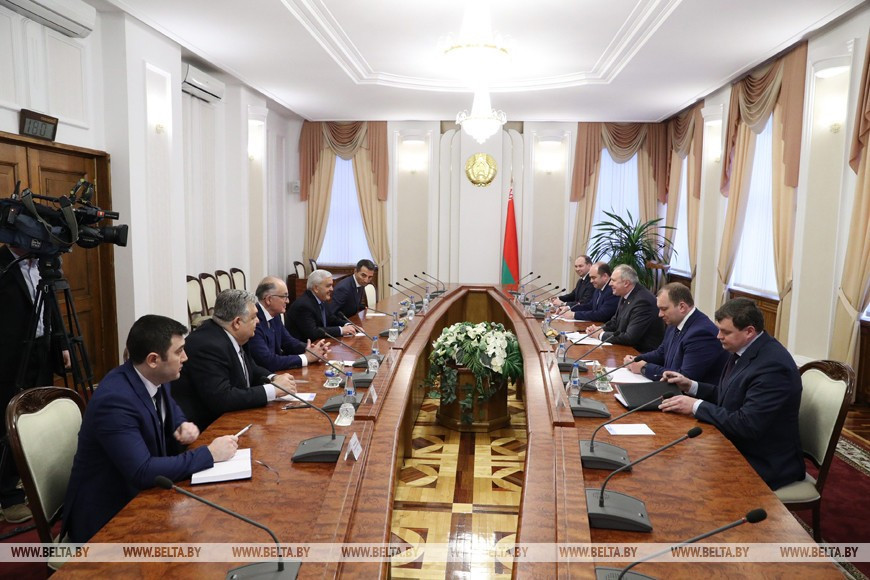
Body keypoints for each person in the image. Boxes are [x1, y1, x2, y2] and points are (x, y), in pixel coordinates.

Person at [61, 315, 239, 543]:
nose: (186, 357)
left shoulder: (152, 376)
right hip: (110, 517)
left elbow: (168, 405)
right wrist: (210, 454)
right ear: (153, 359)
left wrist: (180, 423)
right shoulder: (114, 401)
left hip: (145, 496)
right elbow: (142, 471)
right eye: (179, 351)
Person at [659, 298, 804, 490]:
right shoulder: (743, 349)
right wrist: (691, 386)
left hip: (763, 460)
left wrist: (694, 406)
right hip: (735, 443)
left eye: (725, 332)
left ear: (749, 331)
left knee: (684, 475)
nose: (718, 336)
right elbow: (729, 396)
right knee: (673, 458)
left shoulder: (773, 367)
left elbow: (747, 424)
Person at [0, 245, 70, 523]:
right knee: (8, 420)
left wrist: (62, 343)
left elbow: (51, 305)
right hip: (9, 358)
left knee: (38, 415)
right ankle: (9, 497)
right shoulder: (3, 264)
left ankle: (35, 481)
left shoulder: (43, 264)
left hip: (41, 350)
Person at [172, 289, 297, 431]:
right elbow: (222, 398)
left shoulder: (234, 335)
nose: (258, 321)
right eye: (254, 317)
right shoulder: (208, 345)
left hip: (232, 419)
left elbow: (251, 367)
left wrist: (274, 378)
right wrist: (273, 390)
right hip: (207, 429)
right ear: (237, 322)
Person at [623, 283, 728, 383]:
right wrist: (637, 359)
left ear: (682, 307)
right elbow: (661, 353)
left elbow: (684, 377)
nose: (660, 314)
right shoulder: (674, 322)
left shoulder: (701, 333)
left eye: (664, 309)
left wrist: (644, 368)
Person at [247, 276, 330, 372]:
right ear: (269, 299)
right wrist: (306, 358)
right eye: (284, 296)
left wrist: (313, 350)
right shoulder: (254, 320)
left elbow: (288, 342)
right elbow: (267, 361)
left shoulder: (275, 315)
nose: (288, 301)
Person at [586, 264, 664, 353]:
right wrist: (599, 329)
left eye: (613, 280)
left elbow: (630, 337)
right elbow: (615, 322)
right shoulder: (626, 294)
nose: (610, 283)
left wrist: (601, 335)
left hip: (639, 353)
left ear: (626, 283)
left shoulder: (643, 301)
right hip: (625, 349)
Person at [285, 269, 355, 341]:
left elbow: (331, 319)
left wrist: (348, 325)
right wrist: (341, 330)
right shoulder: (303, 306)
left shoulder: (321, 299)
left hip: (319, 343)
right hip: (305, 346)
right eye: (328, 286)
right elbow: (313, 332)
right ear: (316, 288)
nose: (332, 289)